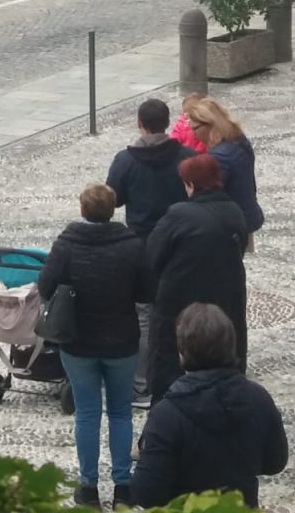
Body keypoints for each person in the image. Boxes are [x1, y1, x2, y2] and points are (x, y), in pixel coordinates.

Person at [38, 183, 147, 510]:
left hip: (79, 341)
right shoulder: (131, 245)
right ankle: (123, 487)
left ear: (83, 209)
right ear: (112, 210)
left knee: (87, 413)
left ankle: (88, 487)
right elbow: (146, 292)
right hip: (122, 341)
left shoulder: (67, 244)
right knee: (119, 411)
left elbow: (45, 286)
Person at [131, 303, 287, 510]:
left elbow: (146, 492)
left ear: (182, 353)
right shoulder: (258, 398)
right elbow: (275, 462)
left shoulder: (166, 414)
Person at [105, 98, 191, 407]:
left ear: (140, 123)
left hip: (141, 246)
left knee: (143, 316)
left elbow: (113, 199)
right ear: (167, 123)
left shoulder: (125, 160)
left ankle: (141, 385)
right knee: (180, 313)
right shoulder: (185, 157)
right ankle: (184, 377)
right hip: (180, 244)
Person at [146, 155, 248, 402]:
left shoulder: (178, 215)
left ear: (190, 184)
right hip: (225, 304)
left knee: (172, 374)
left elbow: (152, 256)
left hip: (179, 306)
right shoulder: (234, 211)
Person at [187, 97, 263, 234]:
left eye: (195, 129)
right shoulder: (238, 139)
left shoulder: (219, 157)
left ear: (209, 125)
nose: (193, 135)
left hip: (230, 225)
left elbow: (208, 196)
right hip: (245, 213)